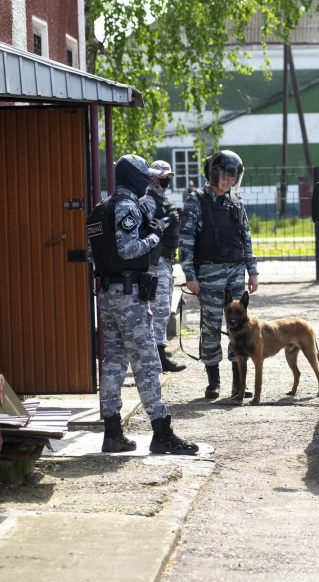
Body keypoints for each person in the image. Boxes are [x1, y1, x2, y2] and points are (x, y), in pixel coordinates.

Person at [86, 154, 198, 455]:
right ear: (133, 177)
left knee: (113, 363)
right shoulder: (126, 207)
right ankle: (162, 433)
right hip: (129, 295)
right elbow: (128, 248)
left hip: (108, 294)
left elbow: (90, 255)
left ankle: (112, 433)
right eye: (145, 175)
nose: (150, 180)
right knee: (147, 363)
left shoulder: (99, 209)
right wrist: (154, 236)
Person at [180, 150, 259, 400]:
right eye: (225, 177)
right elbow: (186, 241)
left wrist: (252, 271)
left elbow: (246, 237)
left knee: (240, 327)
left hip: (235, 273)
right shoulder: (197, 201)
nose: (229, 182)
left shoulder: (236, 201)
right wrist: (190, 275)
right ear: (213, 174)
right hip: (209, 274)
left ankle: (239, 383)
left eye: (233, 178)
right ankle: (213, 381)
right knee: (212, 326)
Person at [140, 159, 187, 374]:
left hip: (166, 262)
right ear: (152, 178)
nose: (165, 182)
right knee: (158, 311)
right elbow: (146, 229)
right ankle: (157, 359)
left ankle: (158, 356)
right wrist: (167, 221)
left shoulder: (163, 199)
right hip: (155, 263)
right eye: (161, 178)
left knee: (163, 310)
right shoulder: (148, 201)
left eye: (168, 178)